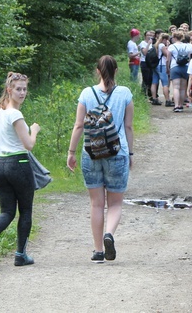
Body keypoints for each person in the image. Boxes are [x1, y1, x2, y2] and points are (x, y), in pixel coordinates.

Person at [67, 55, 134, 263]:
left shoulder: (87, 93)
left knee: (96, 204)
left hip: (91, 152)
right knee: (114, 203)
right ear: (116, 71)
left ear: (97, 71)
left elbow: (79, 125)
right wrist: (130, 153)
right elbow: (129, 126)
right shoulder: (124, 93)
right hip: (117, 152)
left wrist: (71, 152)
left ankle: (97, 251)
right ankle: (109, 234)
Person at [0, 72, 41, 269]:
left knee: (6, 211)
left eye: (24, 89)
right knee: (25, 210)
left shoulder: (1, 111)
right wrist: (34, 130)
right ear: (9, 90)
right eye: (18, 89)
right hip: (19, 165)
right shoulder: (15, 114)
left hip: (0, 165)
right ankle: (20, 255)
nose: (22, 92)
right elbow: (29, 144)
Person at [167, 31, 192, 112]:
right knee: (183, 88)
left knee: (176, 87)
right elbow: (189, 56)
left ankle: (176, 106)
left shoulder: (171, 47)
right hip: (185, 67)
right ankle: (181, 105)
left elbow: (168, 59)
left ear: (174, 37)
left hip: (175, 67)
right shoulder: (187, 46)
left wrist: (167, 68)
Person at [151, 32, 172, 106]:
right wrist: (168, 46)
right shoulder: (162, 45)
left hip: (155, 65)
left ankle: (154, 98)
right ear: (165, 39)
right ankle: (167, 100)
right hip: (161, 65)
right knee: (165, 83)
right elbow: (167, 54)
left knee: (154, 82)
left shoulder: (156, 44)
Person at [139, 30, 155, 98]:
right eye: (148, 35)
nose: (149, 36)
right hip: (144, 62)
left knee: (150, 78)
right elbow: (144, 53)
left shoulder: (152, 44)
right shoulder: (143, 43)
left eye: (151, 35)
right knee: (145, 79)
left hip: (150, 63)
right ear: (145, 36)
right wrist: (148, 44)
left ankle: (149, 94)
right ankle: (143, 94)